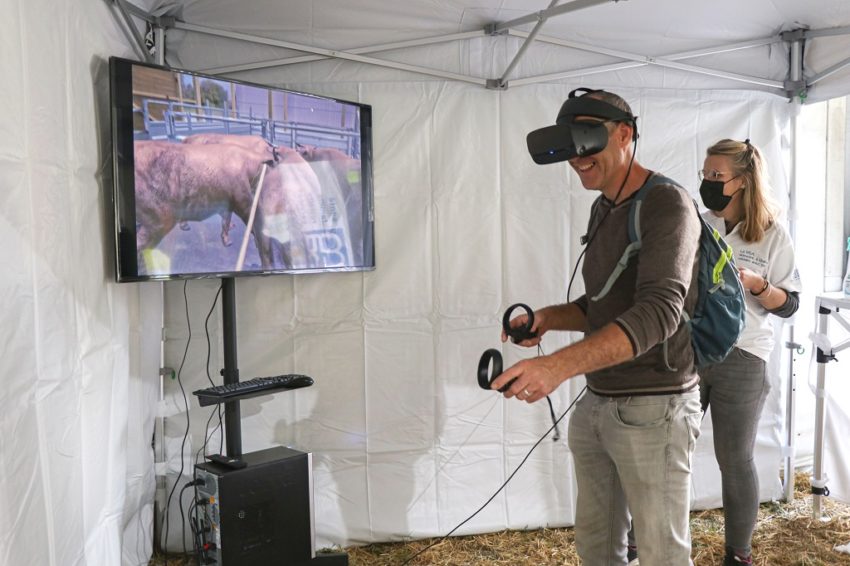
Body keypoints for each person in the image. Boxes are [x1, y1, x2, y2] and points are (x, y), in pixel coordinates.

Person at [492, 88, 703, 565]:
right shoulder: (605, 206)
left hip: (655, 408)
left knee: (661, 553)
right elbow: (604, 303)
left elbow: (660, 311)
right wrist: (547, 318)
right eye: (568, 145)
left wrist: (556, 367)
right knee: (596, 545)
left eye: (587, 140)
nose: (577, 158)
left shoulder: (666, 203)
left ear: (625, 133)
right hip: (598, 403)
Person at [695, 138, 801, 565]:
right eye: (705, 175)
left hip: (743, 357)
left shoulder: (773, 235)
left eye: (716, 176)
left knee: (734, 458)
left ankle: (738, 554)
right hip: (693, 352)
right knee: (665, 449)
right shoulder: (700, 224)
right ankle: (637, 539)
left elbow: (791, 304)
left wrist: (757, 285)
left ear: (743, 180)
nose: (707, 183)